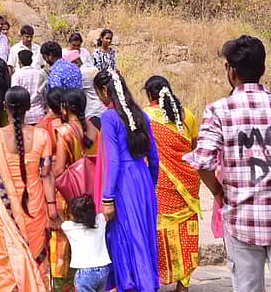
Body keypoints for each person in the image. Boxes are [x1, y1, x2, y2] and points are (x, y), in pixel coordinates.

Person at [184, 35, 271, 292]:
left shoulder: (219, 111)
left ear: (232, 71)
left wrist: (218, 192)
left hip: (242, 220)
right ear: (262, 68)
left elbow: (203, 161)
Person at [0, 86, 59, 292]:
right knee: (36, 262)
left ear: (5, 107)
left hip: (4, 214)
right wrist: (52, 210)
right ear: (29, 107)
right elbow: (47, 175)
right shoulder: (42, 136)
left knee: (7, 267)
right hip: (36, 210)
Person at [93, 70, 159, 292]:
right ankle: (147, 283)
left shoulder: (109, 118)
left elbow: (113, 159)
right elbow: (154, 156)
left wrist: (107, 197)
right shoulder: (141, 114)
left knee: (124, 238)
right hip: (143, 179)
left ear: (105, 91)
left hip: (122, 183)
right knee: (144, 237)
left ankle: (132, 285)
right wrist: (150, 184)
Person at [143, 75, 200, 292]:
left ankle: (154, 279)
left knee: (158, 232)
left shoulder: (145, 117)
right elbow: (193, 148)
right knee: (185, 231)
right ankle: (182, 284)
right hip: (187, 184)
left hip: (161, 183)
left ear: (149, 95)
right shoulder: (188, 116)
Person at [51, 88, 100, 290]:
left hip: (68, 198)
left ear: (64, 108)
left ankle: (65, 287)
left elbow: (59, 170)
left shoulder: (64, 132)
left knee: (62, 245)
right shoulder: (94, 130)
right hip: (91, 194)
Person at [61, 195, 112, 292]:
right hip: (103, 270)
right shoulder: (101, 220)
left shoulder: (69, 227)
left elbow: (60, 222)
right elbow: (103, 214)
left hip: (85, 273)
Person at [12, 49, 48, 125]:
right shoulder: (40, 74)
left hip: (24, 116)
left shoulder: (17, 76)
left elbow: (15, 96)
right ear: (31, 61)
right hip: (39, 114)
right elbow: (44, 94)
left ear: (19, 62)